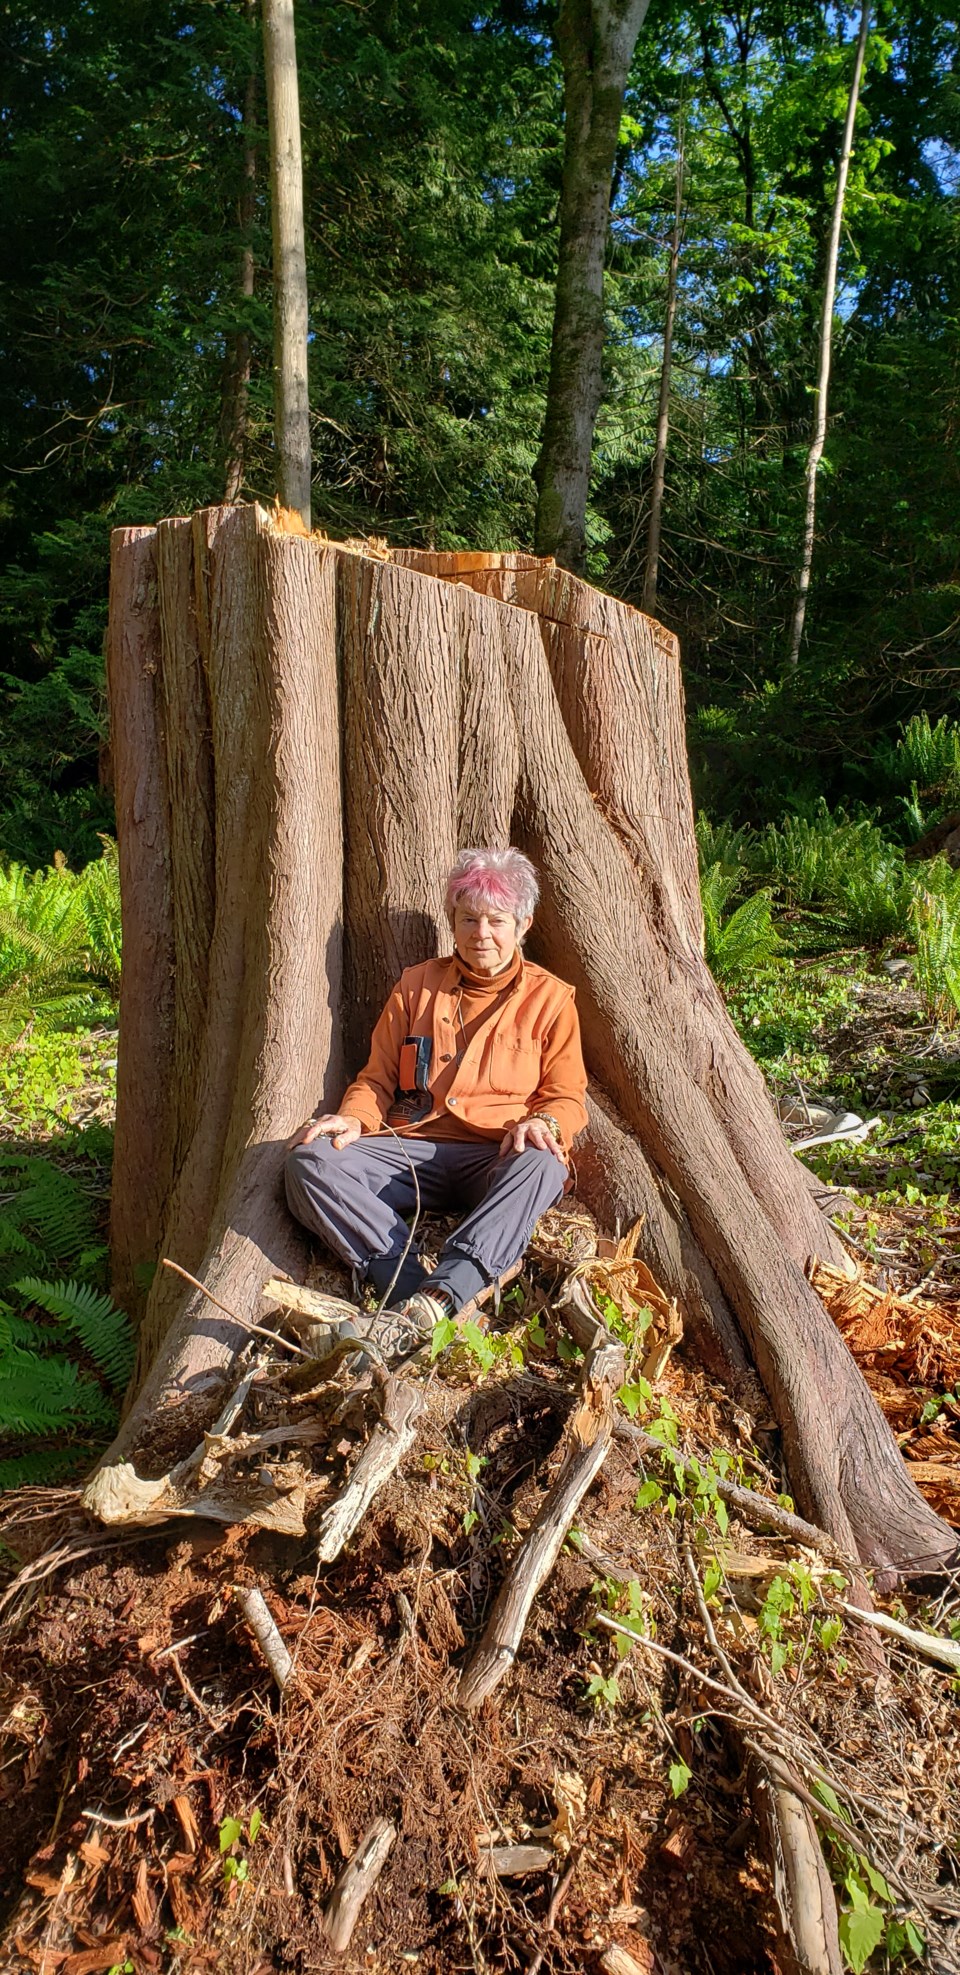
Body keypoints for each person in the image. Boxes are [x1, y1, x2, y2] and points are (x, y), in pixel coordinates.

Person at [284, 846, 588, 1364]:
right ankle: (410, 1296)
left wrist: (544, 1121)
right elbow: (377, 1077)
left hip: (494, 1154)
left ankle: (446, 1292)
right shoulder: (415, 986)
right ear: (452, 920)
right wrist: (353, 1117)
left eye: (496, 921)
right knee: (310, 1160)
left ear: (523, 924)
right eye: (469, 919)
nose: (482, 934)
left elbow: (566, 1095)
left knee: (542, 1167)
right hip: (411, 1146)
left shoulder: (551, 998)